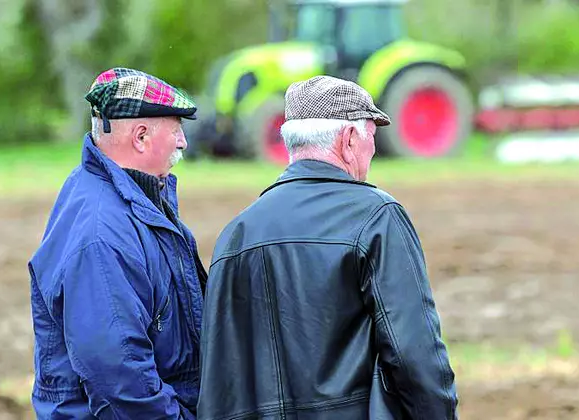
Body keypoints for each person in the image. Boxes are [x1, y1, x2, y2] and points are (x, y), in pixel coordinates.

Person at [198, 75, 458, 419]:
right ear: (349, 139)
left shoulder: (236, 233)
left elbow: (217, 373)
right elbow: (414, 354)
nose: (373, 150)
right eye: (371, 137)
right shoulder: (376, 217)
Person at [28, 68, 208, 418]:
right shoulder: (101, 232)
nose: (183, 141)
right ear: (141, 136)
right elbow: (121, 378)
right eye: (177, 128)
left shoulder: (125, 196)